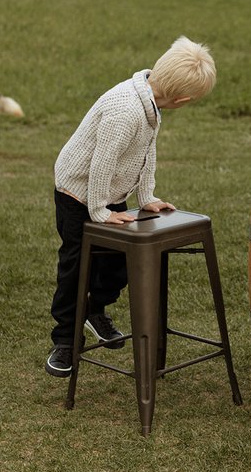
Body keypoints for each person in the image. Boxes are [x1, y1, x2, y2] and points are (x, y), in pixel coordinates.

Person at [45, 36, 217, 377]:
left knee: (117, 262)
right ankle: (65, 339)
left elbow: (144, 153)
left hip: (108, 193)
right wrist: (99, 213)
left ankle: (96, 311)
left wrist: (146, 197)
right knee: (76, 266)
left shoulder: (149, 102)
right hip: (79, 194)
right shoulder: (125, 109)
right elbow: (101, 163)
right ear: (182, 100)